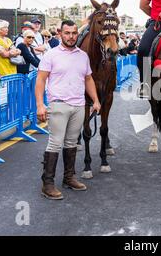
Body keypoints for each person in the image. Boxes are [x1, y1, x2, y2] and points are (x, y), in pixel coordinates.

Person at [35, 20, 101, 200]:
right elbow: (40, 80)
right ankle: (47, 184)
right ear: (60, 34)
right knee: (55, 143)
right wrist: (40, 104)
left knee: (72, 143)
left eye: (74, 33)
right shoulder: (51, 55)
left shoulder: (83, 56)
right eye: (67, 33)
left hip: (79, 105)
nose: (71, 36)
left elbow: (88, 79)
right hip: (58, 104)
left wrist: (95, 100)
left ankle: (69, 178)